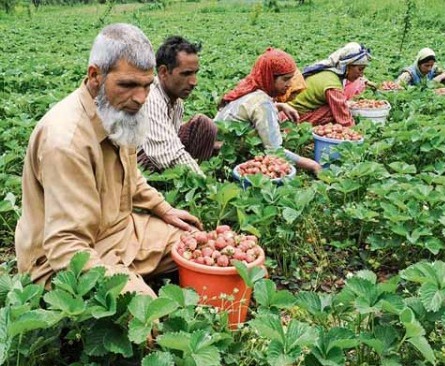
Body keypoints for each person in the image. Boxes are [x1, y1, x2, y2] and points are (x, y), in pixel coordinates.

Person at [14, 23, 203, 298]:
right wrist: (130, 289)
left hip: (118, 234)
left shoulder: (118, 112)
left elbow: (131, 177)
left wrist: (164, 209)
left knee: (193, 245)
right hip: (59, 262)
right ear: (95, 76)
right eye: (127, 85)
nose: (140, 98)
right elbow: (65, 246)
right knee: (143, 311)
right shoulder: (66, 141)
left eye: (146, 86)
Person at [214, 48, 321, 174]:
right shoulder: (263, 103)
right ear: (270, 77)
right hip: (222, 152)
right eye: (285, 79)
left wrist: (280, 106)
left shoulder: (250, 88)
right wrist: (311, 164)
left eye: (291, 78)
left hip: (215, 142)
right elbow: (274, 150)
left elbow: (251, 110)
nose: (290, 84)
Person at [137, 36, 217, 176]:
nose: (193, 82)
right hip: (135, 166)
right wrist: (205, 184)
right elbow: (168, 152)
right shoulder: (151, 99)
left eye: (195, 73)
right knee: (165, 153)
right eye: (186, 74)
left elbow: (173, 137)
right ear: (163, 72)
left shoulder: (176, 100)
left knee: (204, 125)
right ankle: (188, 184)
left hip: (161, 153)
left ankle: (187, 186)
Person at [288, 42, 373, 126]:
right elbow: (344, 120)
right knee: (335, 111)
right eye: (360, 69)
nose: (361, 74)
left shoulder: (328, 72)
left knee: (339, 105)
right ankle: (299, 129)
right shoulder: (333, 86)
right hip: (295, 116)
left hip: (289, 111)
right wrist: (357, 134)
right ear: (347, 66)